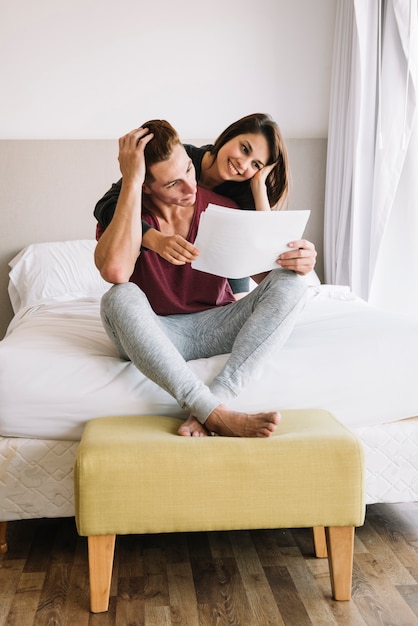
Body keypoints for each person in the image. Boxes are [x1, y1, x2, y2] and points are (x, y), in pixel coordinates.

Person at [94, 120, 313, 438]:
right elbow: (115, 272)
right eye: (172, 184)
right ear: (145, 185)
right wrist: (131, 182)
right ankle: (209, 409)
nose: (190, 188)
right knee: (118, 296)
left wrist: (302, 258)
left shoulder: (223, 208)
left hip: (215, 324)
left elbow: (270, 276)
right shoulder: (126, 216)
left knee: (291, 283)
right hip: (157, 331)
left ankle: (216, 403)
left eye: (188, 170)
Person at [94, 113, 317, 295]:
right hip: (166, 275)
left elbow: (259, 254)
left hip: (221, 279)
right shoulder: (179, 159)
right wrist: (154, 238)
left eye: (256, 164)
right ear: (229, 135)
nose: (243, 163)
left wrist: (259, 188)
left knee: (285, 284)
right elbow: (106, 206)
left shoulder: (240, 195)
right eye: (244, 149)